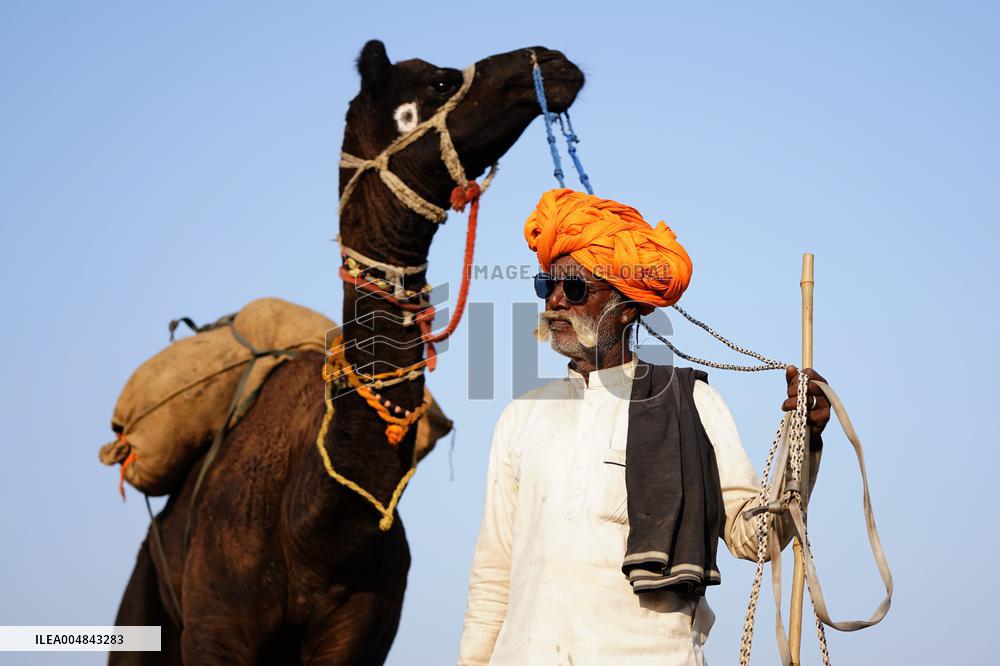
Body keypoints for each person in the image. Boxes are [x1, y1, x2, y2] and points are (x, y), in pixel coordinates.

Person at [457, 189, 830, 666]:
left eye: (574, 290)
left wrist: (805, 443)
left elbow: (754, 537)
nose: (554, 301)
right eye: (546, 285)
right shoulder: (521, 418)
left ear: (627, 305)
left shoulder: (692, 402)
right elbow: (493, 575)